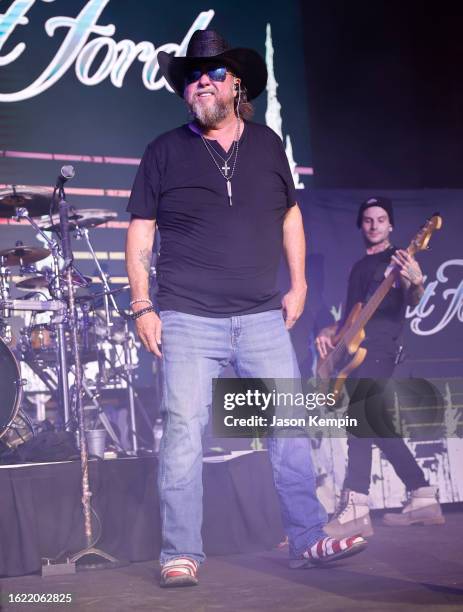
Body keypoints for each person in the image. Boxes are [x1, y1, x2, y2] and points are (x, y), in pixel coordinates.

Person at [125, 29, 366, 588]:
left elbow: (291, 216)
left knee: (288, 424)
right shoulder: (164, 150)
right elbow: (140, 234)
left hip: (261, 316)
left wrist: (299, 284)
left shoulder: (268, 144)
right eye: (191, 76)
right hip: (187, 317)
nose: (200, 82)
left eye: (211, 73)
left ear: (236, 84)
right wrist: (142, 306)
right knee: (184, 429)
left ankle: (306, 541)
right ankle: (180, 552)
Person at [316, 197, 445, 539]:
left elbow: (413, 297)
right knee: (375, 423)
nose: (374, 225)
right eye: (368, 220)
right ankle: (422, 497)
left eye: (381, 219)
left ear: (391, 226)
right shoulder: (358, 267)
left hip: (381, 349)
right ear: (361, 225)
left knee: (360, 416)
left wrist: (416, 282)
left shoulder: (401, 259)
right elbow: (349, 317)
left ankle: (356, 505)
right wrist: (328, 334)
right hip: (354, 351)